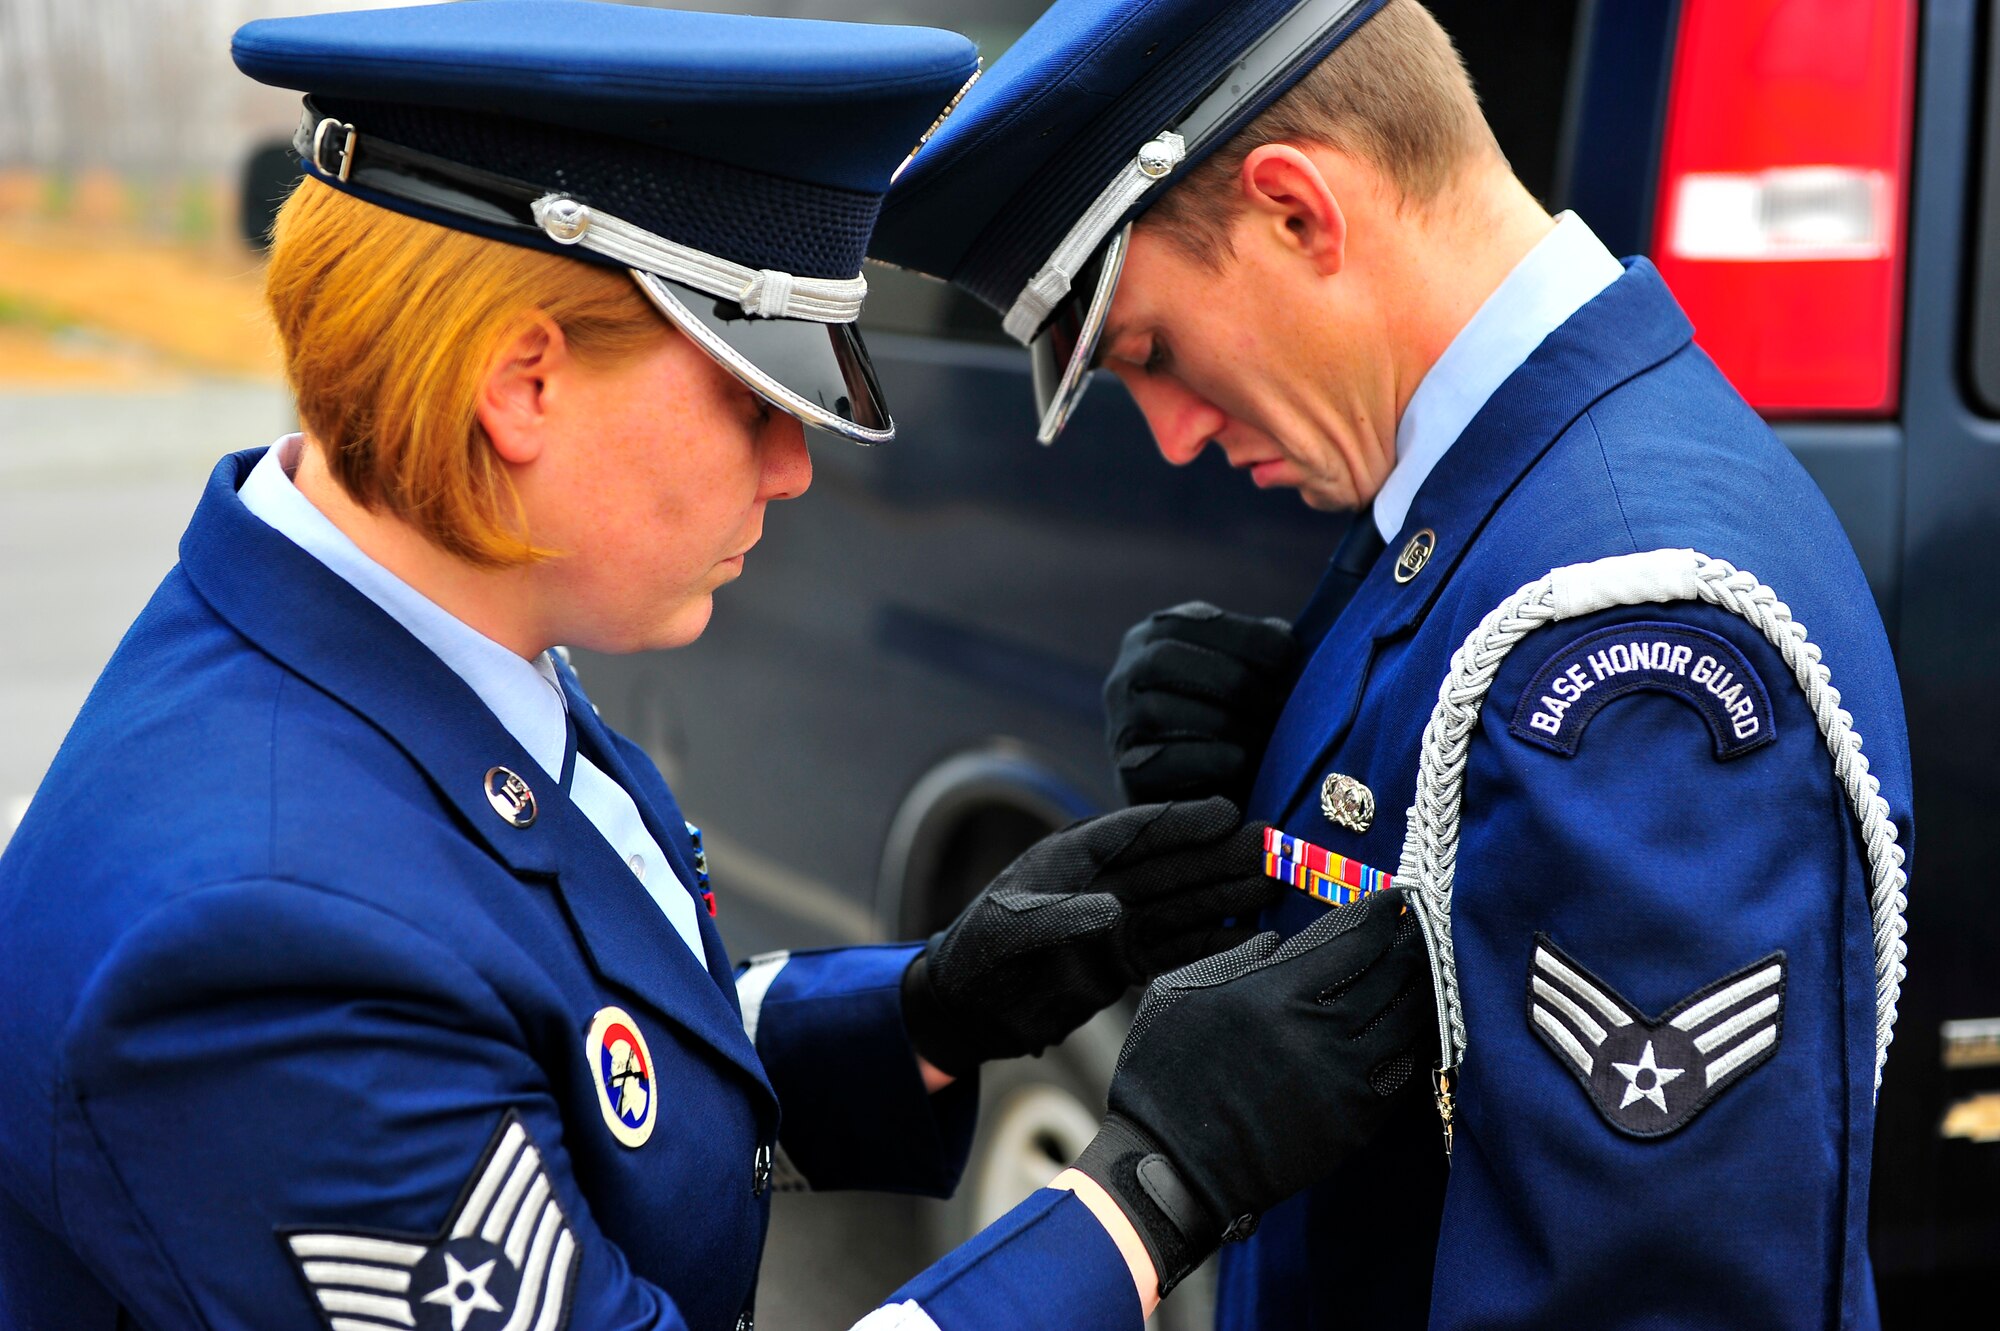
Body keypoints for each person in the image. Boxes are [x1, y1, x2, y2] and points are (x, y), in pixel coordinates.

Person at [0, 4, 1439, 1330]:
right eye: (755, 389)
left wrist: (930, 1013)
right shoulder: (261, 943)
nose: (793, 462)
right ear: (523, 387)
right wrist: (1144, 1199)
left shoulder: (425, 642)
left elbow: (575, 1055)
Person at [871, 0, 1916, 1326]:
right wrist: (1288, 789)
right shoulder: (1486, 493)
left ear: (1302, 213)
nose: (1176, 435)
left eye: (1152, 352)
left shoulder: (1628, 632)